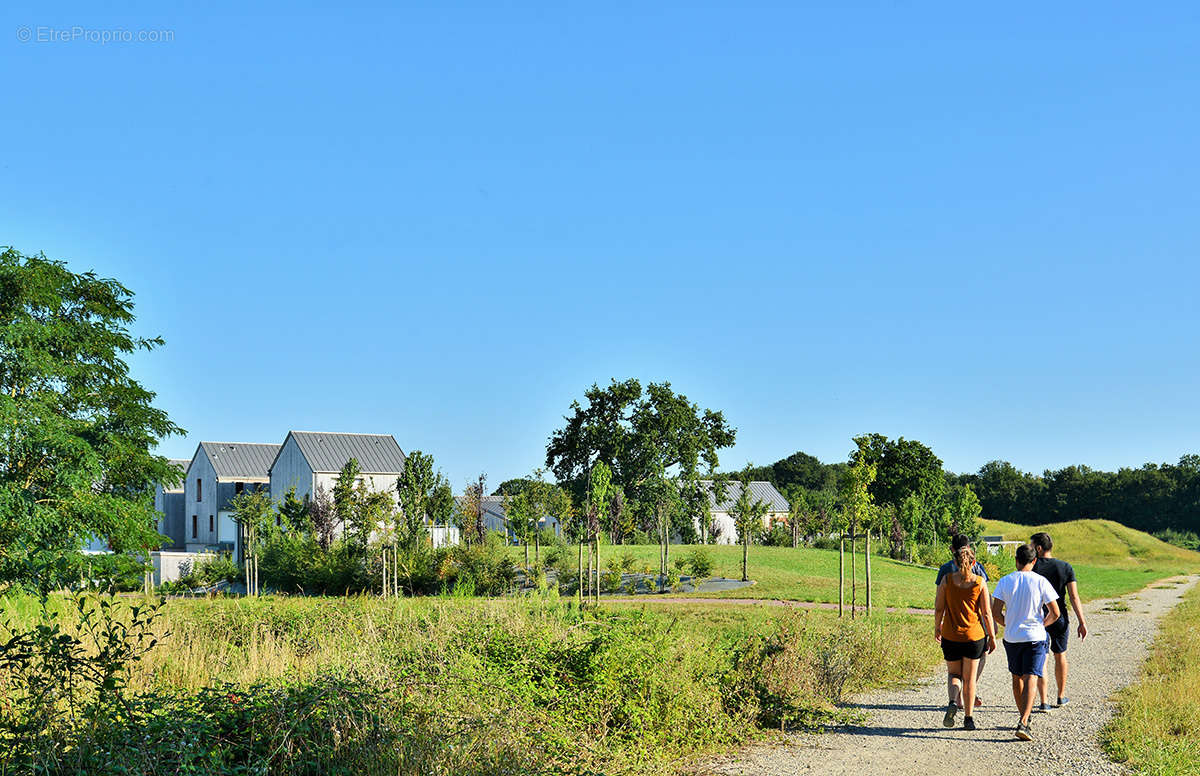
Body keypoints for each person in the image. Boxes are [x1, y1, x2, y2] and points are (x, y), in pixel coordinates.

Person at [991, 542, 1060, 741]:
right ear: (1034, 561)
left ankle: (1024, 718)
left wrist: (1008, 623)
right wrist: (1042, 625)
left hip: (1012, 637)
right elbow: (1055, 612)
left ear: (1016, 560)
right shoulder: (1040, 581)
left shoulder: (1005, 581)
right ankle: (1024, 720)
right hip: (1035, 636)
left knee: (1016, 678)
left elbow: (996, 613)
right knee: (1032, 676)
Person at [934, 543, 997, 730]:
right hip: (974, 637)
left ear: (954, 562)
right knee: (969, 679)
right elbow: (986, 613)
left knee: (954, 674)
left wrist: (937, 627)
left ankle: (953, 701)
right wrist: (992, 636)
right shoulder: (979, 582)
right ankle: (969, 719)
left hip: (951, 636)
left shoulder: (946, 580)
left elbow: (939, 608)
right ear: (974, 562)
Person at [1031, 531, 1087, 710]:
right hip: (1060, 616)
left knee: (1043, 657)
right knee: (1060, 654)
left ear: (1038, 548)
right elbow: (1074, 596)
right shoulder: (1065, 567)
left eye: (1031, 546)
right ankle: (1061, 696)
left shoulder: (1032, 567)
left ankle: (1044, 700)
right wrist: (1082, 621)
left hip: (1040, 617)